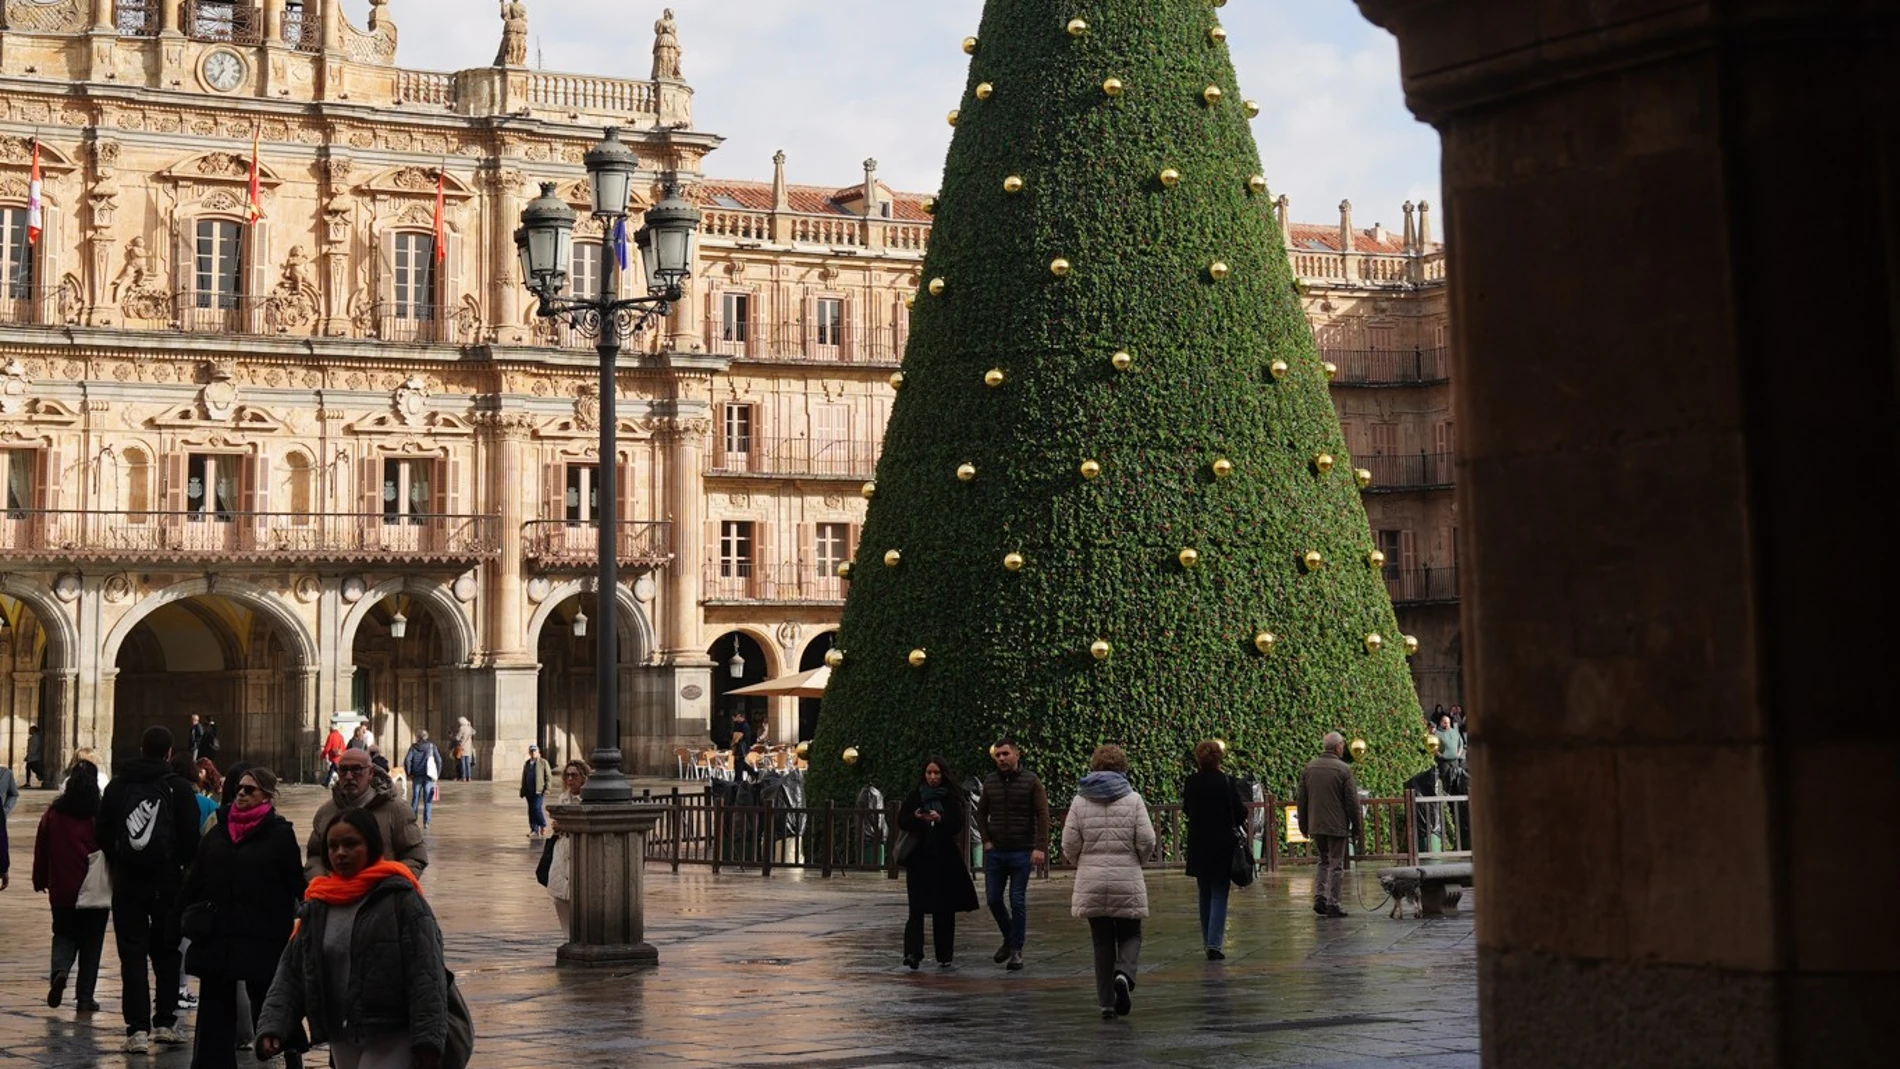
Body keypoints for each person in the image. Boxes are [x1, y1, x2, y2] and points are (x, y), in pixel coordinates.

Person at [256, 808, 450, 1069]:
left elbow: (427, 973)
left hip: (392, 1032)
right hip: (341, 1033)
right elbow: (291, 972)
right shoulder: (318, 903)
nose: (340, 853)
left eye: (350, 844)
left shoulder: (400, 898)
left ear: (371, 845)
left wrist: (428, 1037)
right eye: (333, 846)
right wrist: (272, 1026)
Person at [176, 766, 306, 1069]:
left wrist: (310, 911)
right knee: (215, 1005)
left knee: (269, 996)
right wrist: (177, 917)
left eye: (251, 790)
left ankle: (290, 1051)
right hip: (220, 932)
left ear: (267, 796)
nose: (242, 794)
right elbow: (196, 878)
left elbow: (295, 882)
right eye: (240, 789)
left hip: (263, 931)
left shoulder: (279, 833)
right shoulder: (220, 830)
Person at [95, 725, 202, 1052]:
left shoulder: (117, 786)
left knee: (132, 954)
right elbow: (190, 841)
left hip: (127, 881)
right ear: (169, 751)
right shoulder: (179, 788)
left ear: (141, 747)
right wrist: (175, 865)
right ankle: (165, 1023)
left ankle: (137, 1030)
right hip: (166, 883)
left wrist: (122, 860)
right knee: (168, 952)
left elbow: (101, 833)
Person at [1062, 744, 1157, 1019]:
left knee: (1101, 942)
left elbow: (1069, 843)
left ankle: (1105, 1002)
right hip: (1127, 875)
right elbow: (1147, 839)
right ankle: (1124, 975)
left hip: (1091, 878)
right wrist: (1139, 859)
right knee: (1131, 933)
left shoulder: (1080, 801)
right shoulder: (1133, 799)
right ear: (1123, 767)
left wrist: (1081, 862)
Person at [33, 759, 109, 1013]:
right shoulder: (100, 814)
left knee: (64, 934)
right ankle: (85, 997)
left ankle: (60, 971)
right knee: (92, 942)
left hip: (63, 888)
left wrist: (40, 878)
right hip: (94, 888)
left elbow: (41, 847)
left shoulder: (53, 814)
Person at [897, 755, 979, 969]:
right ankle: (913, 953)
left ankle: (944, 954)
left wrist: (940, 818)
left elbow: (957, 825)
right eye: (929, 773)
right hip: (919, 858)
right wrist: (916, 817)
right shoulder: (916, 795)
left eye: (936, 773)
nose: (932, 777)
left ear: (943, 775)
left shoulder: (951, 797)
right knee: (916, 908)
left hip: (944, 858)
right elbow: (902, 820)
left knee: (944, 909)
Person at [975, 738, 1050, 971]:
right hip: (996, 851)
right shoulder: (990, 781)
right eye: (998, 755)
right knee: (993, 899)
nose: (1002, 759)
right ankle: (1009, 937)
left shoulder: (1031, 781)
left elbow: (1042, 813)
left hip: (1021, 850)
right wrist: (986, 840)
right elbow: (981, 812)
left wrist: (1040, 846)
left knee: (1017, 900)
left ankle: (1017, 950)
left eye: (1006, 754)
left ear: (1017, 755)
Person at [304, 748, 429, 879]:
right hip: (334, 894)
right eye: (343, 770)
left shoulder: (397, 810)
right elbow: (315, 856)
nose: (349, 776)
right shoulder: (326, 812)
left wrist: (391, 886)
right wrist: (320, 882)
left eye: (356, 769)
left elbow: (415, 856)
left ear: (370, 773)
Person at [1182, 739, 1248, 959]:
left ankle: (1206, 940)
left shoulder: (1191, 782)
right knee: (1220, 892)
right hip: (1222, 843)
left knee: (1205, 893)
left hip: (1199, 843)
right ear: (1219, 758)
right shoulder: (1227, 782)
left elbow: (1187, 809)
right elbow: (1240, 813)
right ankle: (1214, 944)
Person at [1296, 732, 1362, 919]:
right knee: (1335, 864)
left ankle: (1319, 898)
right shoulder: (1343, 769)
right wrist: (1356, 827)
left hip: (1316, 824)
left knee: (1323, 861)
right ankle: (1333, 902)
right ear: (1338, 747)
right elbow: (1352, 802)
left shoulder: (1309, 767)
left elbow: (1301, 799)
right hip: (1337, 825)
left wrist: (1303, 824)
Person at [546, 758, 590, 932]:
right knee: (559, 895)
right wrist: (558, 827)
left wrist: (566, 825)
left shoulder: (587, 800)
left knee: (578, 895)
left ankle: (580, 934)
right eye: (567, 776)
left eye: (574, 775)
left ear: (583, 777)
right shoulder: (563, 798)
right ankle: (566, 933)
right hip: (562, 849)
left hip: (580, 850)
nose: (570, 780)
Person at [403, 732, 442, 829]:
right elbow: (439, 761)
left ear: (417, 737)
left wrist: (409, 773)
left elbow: (407, 760)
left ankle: (412, 820)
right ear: (426, 737)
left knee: (415, 798)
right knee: (427, 799)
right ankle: (426, 822)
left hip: (416, 776)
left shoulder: (413, 747)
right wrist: (437, 774)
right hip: (428, 776)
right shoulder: (431, 746)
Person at [521, 744, 552, 840]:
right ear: (529, 753)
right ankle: (534, 829)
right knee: (531, 810)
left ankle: (542, 824)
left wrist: (547, 788)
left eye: (535, 751)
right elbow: (524, 777)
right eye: (531, 751)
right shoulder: (527, 763)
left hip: (539, 790)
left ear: (538, 752)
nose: (533, 753)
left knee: (536, 808)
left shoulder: (543, 762)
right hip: (529, 791)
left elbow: (548, 776)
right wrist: (523, 790)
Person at [320, 723, 347, 787]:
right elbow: (344, 747)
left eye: (330, 729)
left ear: (332, 729)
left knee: (335, 769)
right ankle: (327, 782)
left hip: (334, 756)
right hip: (340, 756)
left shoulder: (331, 735)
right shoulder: (341, 736)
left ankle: (343, 781)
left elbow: (327, 747)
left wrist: (323, 755)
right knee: (333, 769)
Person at [452, 717, 475, 781]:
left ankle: (464, 777)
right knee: (468, 763)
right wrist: (470, 726)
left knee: (463, 763)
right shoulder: (469, 728)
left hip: (462, 747)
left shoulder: (461, 728)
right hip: (468, 748)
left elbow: (457, 738)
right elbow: (474, 732)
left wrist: (453, 737)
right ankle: (469, 777)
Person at [25, 723, 47, 788]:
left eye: (30, 730)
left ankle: (42, 777)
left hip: (34, 756)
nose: (29, 731)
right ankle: (28, 782)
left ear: (33, 730)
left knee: (34, 769)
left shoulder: (36, 737)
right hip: (31, 756)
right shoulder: (33, 737)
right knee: (28, 768)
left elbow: (36, 746)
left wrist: (32, 753)